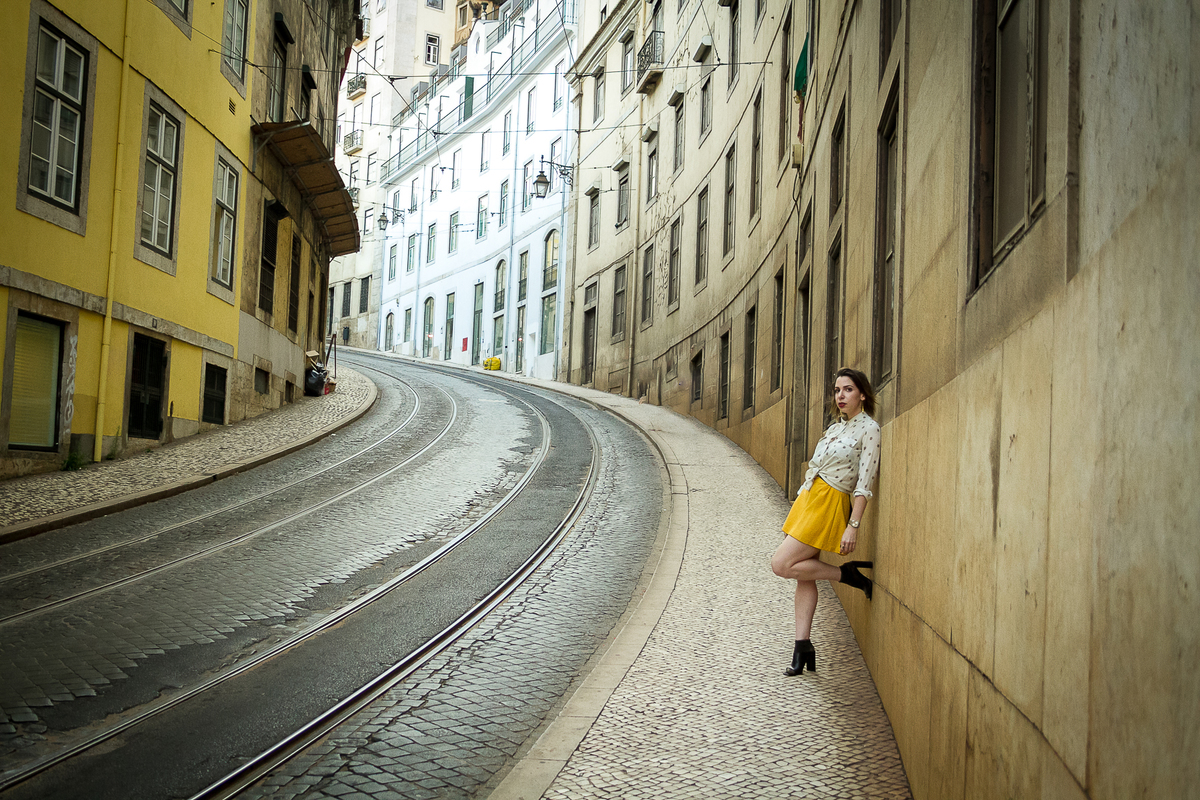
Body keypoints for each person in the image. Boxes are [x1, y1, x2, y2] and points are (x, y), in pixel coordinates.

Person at [770, 367, 881, 676]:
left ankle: (846, 575)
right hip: (810, 499)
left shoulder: (869, 429)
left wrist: (853, 525)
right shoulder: (836, 427)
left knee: (781, 564)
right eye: (836, 390)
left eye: (847, 389)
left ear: (862, 394)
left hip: (830, 503)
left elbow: (864, 481)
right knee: (803, 575)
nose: (840, 396)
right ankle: (802, 646)